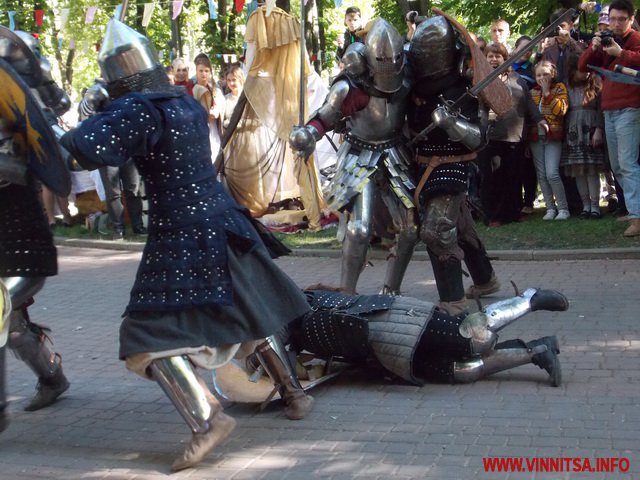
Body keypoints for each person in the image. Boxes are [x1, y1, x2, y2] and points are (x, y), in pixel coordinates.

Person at [61, 19, 313, 471]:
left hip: (182, 231)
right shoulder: (183, 100)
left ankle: (205, 419)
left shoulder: (139, 108)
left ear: (118, 78)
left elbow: (83, 150)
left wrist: (94, 107)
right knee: (246, 308)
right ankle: (293, 391)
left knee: (143, 336)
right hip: (222, 216)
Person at [290, 18, 417, 296]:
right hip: (360, 153)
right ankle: (346, 293)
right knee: (359, 229)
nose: (390, 65)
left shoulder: (409, 73)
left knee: (410, 229)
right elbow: (325, 117)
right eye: (383, 59)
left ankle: (391, 292)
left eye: (395, 59)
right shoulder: (352, 85)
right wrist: (309, 133)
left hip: (395, 152)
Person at [405, 13, 503, 314]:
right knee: (459, 226)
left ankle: (453, 302)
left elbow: (479, 138)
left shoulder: (466, 88)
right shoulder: (412, 86)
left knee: (437, 230)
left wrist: (452, 123)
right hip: (420, 163)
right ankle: (485, 280)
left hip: (453, 163)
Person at [283, 285, 568, 388]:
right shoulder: (288, 337)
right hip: (386, 354)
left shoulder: (307, 299)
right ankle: (536, 351)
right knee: (463, 371)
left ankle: (530, 298)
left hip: (398, 317)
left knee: (474, 339)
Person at [0, 28, 71, 431]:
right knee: (12, 323)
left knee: (4, 314)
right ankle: (52, 376)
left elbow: (54, 147)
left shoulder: (24, 100)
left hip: (22, 225)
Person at [579, 0, 640, 237]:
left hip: (630, 108)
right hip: (609, 110)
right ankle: (635, 209)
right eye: (612, 19)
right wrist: (593, 48)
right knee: (617, 166)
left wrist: (620, 53)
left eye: (621, 19)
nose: (616, 23)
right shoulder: (606, 40)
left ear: (631, 19)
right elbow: (583, 66)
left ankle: (636, 217)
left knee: (627, 164)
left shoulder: (635, 40)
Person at [478, 43, 544, 226]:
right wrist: (482, 129)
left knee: (514, 176)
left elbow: (528, 101)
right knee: (494, 178)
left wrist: (539, 119)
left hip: (516, 134)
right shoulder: (481, 80)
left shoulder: (517, 78)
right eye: (490, 56)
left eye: (497, 56)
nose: (494, 60)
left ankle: (514, 212)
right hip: (492, 137)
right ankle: (494, 216)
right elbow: (480, 109)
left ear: (504, 58)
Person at [561, 55, 606, 219]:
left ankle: (595, 206)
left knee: (591, 170)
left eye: (588, 69)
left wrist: (599, 129)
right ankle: (585, 205)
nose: (586, 73)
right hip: (573, 129)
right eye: (582, 70)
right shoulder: (566, 85)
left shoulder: (596, 83)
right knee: (578, 170)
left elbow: (601, 108)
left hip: (591, 127)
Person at [529, 60, 570, 221]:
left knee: (552, 173)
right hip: (535, 137)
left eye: (545, 74)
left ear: (552, 74)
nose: (542, 78)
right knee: (542, 175)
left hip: (553, 137)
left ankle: (563, 209)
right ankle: (550, 208)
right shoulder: (532, 92)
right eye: (539, 75)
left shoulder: (559, 88)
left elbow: (561, 111)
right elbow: (529, 114)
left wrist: (547, 93)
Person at [192, 53, 225, 161]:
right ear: (196, 71)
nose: (204, 74)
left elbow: (221, 107)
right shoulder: (193, 90)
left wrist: (217, 110)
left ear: (210, 72)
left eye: (206, 71)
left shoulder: (215, 90)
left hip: (213, 130)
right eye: (201, 71)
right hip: (199, 131)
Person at [222, 64, 244, 131]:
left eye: (234, 80)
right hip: (232, 134)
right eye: (229, 80)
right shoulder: (225, 99)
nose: (231, 83)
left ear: (240, 79)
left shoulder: (248, 98)